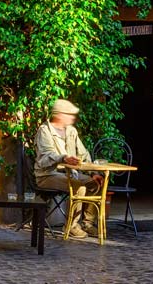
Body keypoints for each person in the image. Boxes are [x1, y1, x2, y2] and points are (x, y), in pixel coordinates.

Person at [34, 98, 103, 238]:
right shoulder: (45, 131)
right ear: (60, 115)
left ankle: (87, 223)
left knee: (95, 183)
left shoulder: (71, 131)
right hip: (48, 175)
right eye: (69, 114)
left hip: (70, 173)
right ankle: (71, 226)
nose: (72, 117)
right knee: (79, 188)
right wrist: (63, 158)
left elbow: (83, 153)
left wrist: (93, 172)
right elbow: (46, 157)